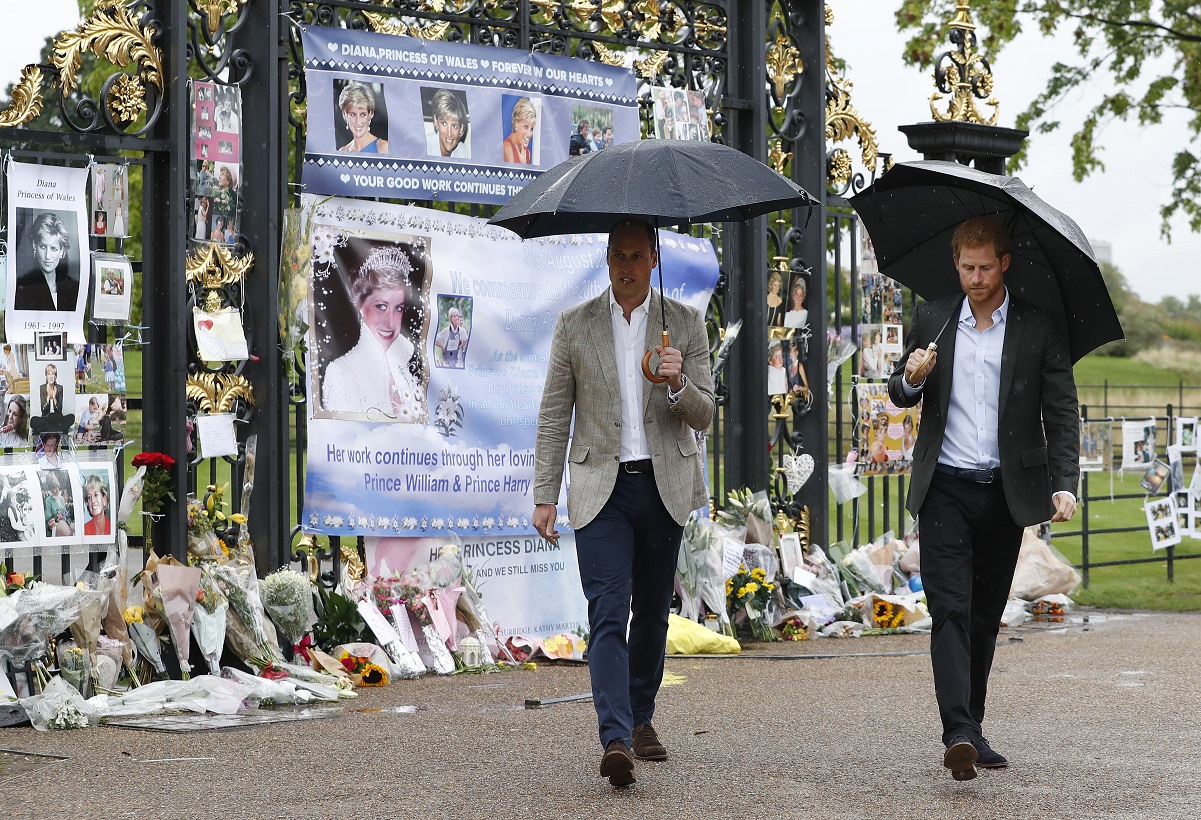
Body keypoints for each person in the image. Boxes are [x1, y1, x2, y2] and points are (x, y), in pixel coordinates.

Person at [887, 215, 1079, 781]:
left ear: (1004, 263)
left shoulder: (1038, 326)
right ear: (956, 263)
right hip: (944, 486)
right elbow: (899, 393)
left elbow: (1061, 411)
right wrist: (913, 378)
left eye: (986, 268)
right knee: (948, 608)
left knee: (984, 616)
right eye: (967, 267)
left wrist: (1064, 481)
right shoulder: (933, 318)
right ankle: (958, 732)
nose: (976, 278)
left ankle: (972, 726)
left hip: (1006, 492)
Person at [532, 217, 715, 789]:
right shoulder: (575, 324)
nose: (626, 267)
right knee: (608, 609)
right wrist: (544, 495)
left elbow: (706, 414)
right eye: (618, 256)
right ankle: (614, 737)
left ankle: (640, 717)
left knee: (654, 612)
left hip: (663, 486)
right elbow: (554, 413)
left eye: (636, 256)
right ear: (607, 260)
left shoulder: (684, 324)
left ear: (653, 259)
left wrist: (678, 384)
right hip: (600, 488)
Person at [322, 246, 425, 421]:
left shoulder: (404, 368)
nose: (390, 322)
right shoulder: (340, 372)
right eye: (381, 307)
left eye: (398, 308)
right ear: (360, 306)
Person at [15, 213, 80, 312]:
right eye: (43, 247)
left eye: (53, 248)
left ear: (62, 251)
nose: (47, 256)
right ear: (34, 246)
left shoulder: (74, 288)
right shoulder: (23, 288)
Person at [337, 82, 389, 154]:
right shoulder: (343, 151)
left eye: (363, 114)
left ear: (370, 114)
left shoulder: (384, 148)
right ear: (345, 114)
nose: (358, 122)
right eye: (353, 114)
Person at [424, 89, 468, 159]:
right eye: (444, 123)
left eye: (454, 126)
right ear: (436, 120)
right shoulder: (425, 147)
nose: (449, 134)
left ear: (461, 129)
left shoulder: (463, 151)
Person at [502, 97, 536, 164]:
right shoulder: (506, 147)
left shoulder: (527, 153)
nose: (529, 134)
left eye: (531, 129)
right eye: (526, 127)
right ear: (516, 123)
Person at [41, 472, 73, 537]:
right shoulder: (48, 500)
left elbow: (66, 515)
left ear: (58, 485)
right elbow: (48, 519)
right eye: (52, 489)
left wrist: (69, 522)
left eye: (56, 488)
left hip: (65, 527)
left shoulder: (61, 498)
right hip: (55, 529)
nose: (55, 491)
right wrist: (55, 519)